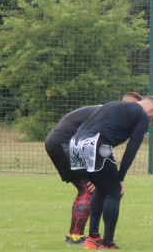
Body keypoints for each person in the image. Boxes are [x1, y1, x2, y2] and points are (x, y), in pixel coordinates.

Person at [45, 93, 143, 244]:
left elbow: (103, 150)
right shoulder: (108, 113)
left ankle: (76, 235)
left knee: (88, 187)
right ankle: (75, 237)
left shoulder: (108, 112)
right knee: (88, 189)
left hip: (59, 142)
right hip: (65, 143)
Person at [68, 95, 153, 250]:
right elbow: (132, 148)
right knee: (114, 191)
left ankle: (92, 238)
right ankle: (108, 242)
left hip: (76, 142)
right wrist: (121, 178)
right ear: (151, 109)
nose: (150, 122)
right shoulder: (142, 115)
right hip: (95, 143)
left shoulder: (116, 104)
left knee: (102, 188)